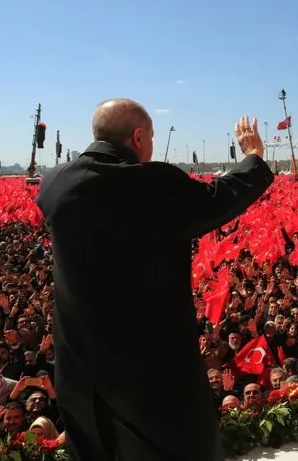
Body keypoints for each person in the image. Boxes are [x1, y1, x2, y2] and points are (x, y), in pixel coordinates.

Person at [35, 99, 273, 461]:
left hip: (81, 367)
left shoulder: (55, 183)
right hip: (149, 368)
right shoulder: (153, 184)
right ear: (138, 136)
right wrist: (253, 158)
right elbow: (218, 199)